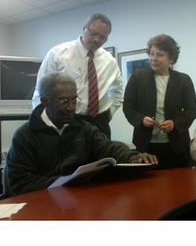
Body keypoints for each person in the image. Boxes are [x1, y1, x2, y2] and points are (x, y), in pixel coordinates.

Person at [6, 73, 158, 196]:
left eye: (74, 100)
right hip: (40, 204)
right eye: (63, 101)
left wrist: (133, 157)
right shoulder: (25, 136)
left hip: (76, 200)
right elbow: (21, 183)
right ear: (45, 101)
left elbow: (109, 148)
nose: (71, 108)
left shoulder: (83, 128)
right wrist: (64, 182)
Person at [32, 13, 123, 139]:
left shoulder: (110, 61)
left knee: (103, 157)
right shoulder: (58, 54)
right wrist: (43, 122)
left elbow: (117, 91)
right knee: (68, 158)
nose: (96, 39)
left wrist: (108, 114)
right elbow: (41, 90)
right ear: (84, 28)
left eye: (102, 38)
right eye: (93, 33)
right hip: (67, 118)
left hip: (99, 121)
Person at [123, 34, 196, 169]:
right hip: (146, 145)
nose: (154, 59)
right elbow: (128, 107)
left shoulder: (183, 80)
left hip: (176, 146)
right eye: (151, 54)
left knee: (177, 185)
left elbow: (191, 111)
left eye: (160, 55)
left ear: (171, 58)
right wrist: (142, 120)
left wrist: (175, 123)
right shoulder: (138, 77)